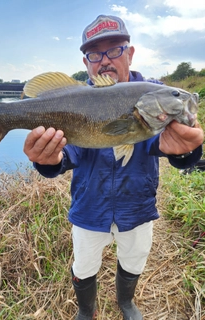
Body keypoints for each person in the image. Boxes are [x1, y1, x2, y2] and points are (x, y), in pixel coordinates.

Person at [23, 15, 204, 320]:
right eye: (95, 54)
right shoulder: (77, 97)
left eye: (115, 50)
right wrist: (48, 161)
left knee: (133, 260)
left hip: (138, 207)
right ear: (86, 62)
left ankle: (126, 302)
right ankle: (85, 309)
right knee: (84, 264)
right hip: (88, 207)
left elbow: (174, 148)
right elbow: (67, 155)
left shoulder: (153, 94)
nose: (104, 60)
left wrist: (187, 151)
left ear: (130, 53)